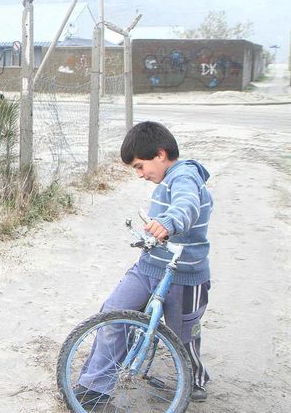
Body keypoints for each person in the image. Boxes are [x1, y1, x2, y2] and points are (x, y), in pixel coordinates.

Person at [75, 121, 212, 404]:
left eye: (139, 166)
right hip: (149, 266)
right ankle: (94, 389)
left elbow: (186, 206)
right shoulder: (166, 179)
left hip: (184, 276)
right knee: (114, 314)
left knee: (183, 335)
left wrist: (169, 222)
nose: (139, 174)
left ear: (160, 154)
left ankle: (193, 381)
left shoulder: (185, 177)